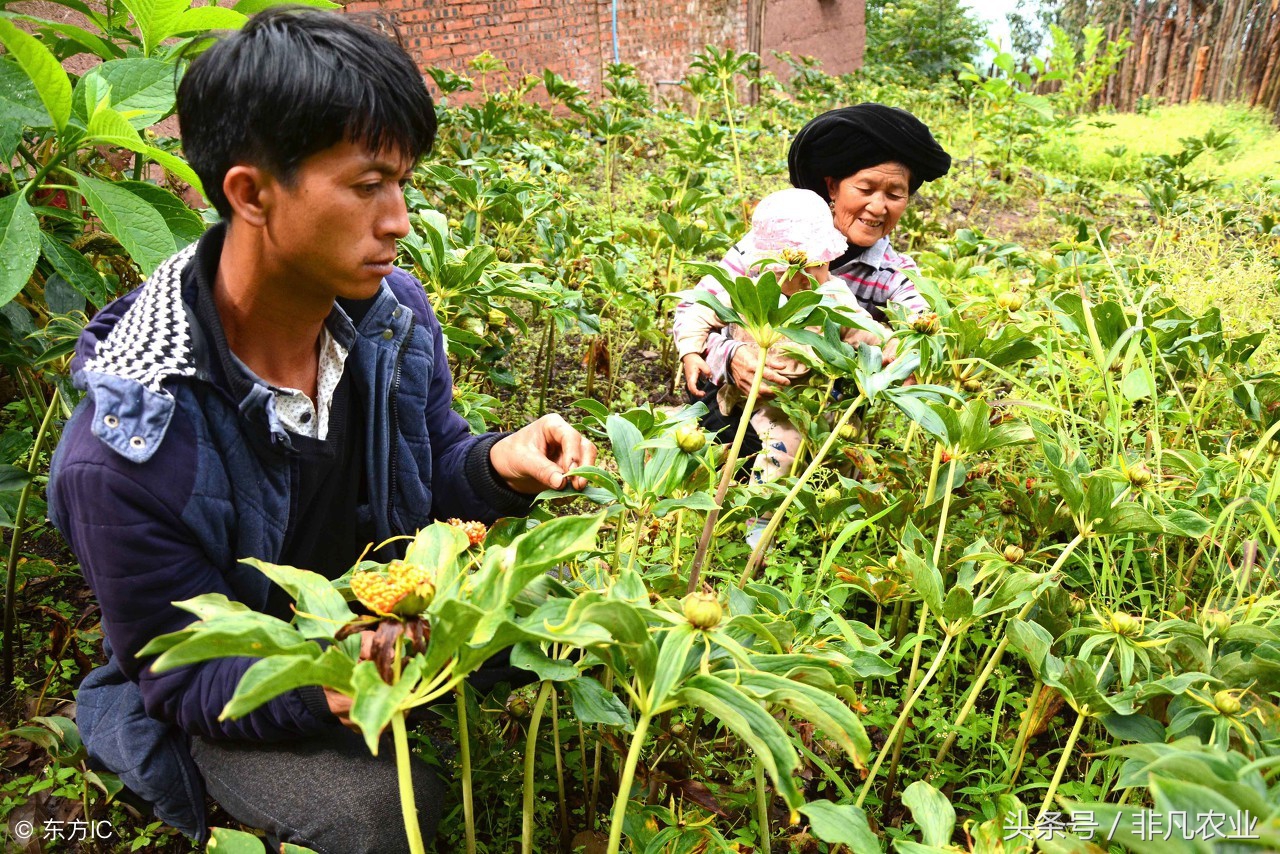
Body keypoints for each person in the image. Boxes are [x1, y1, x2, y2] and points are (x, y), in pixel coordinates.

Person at [46, 9, 595, 851]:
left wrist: (497, 464)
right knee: (380, 813)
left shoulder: (390, 313)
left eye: (403, 182)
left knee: (575, 627)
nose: (400, 219)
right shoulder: (125, 450)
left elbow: (431, 465)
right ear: (251, 193)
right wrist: (331, 685)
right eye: (368, 185)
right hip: (244, 679)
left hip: (384, 617)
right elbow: (185, 668)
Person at [679, 103, 951, 415]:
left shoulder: (892, 274)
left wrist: (902, 350)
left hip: (816, 411)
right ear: (832, 186)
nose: (878, 207)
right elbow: (697, 308)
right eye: (866, 188)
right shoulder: (770, 244)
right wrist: (729, 355)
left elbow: (921, 325)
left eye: (894, 194)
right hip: (734, 394)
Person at [673, 188, 862, 487]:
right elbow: (701, 310)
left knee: (825, 445)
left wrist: (893, 350)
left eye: (821, 264)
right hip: (748, 397)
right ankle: (752, 499)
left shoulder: (833, 296)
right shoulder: (751, 290)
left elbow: (863, 330)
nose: (811, 277)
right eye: (797, 269)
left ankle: (823, 493)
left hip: (802, 398)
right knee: (759, 450)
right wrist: (691, 352)